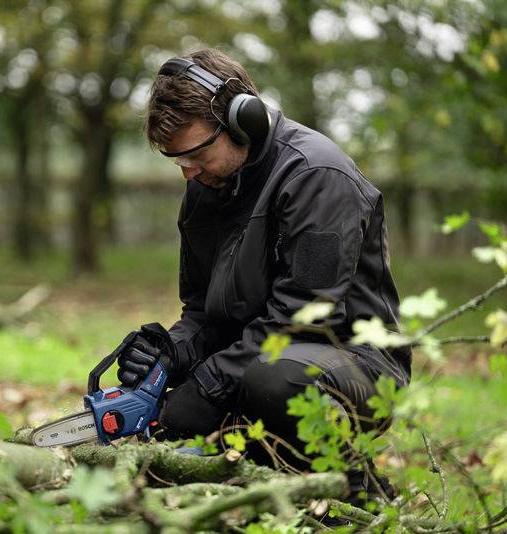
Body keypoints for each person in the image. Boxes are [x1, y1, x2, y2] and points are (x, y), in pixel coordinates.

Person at [114, 48, 411, 501]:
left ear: (241, 122)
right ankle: (260, 479)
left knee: (274, 379)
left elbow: (306, 315)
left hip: (353, 360)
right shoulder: (204, 188)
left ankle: (357, 491)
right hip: (253, 356)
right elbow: (202, 312)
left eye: (195, 154)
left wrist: (209, 383)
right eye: (176, 161)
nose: (187, 172)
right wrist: (169, 354)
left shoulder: (316, 175)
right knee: (194, 410)